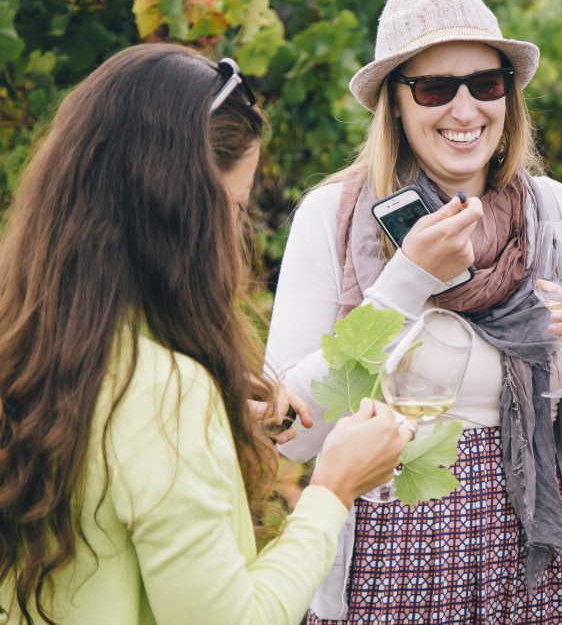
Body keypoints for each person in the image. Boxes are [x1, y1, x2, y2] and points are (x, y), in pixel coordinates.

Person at [0, 43, 411, 625]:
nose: (234, 233)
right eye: (232, 207)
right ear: (178, 213)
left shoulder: (30, 346)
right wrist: (334, 488)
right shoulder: (163, 397)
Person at [267, 0, 562, 624]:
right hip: (387, 561)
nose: (466, 111)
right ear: (396, 106)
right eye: (435, 88)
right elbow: (290, 434)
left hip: (531, 560)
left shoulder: (552, 212)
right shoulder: (335, 216)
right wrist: (405, 282)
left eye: (486, 84)